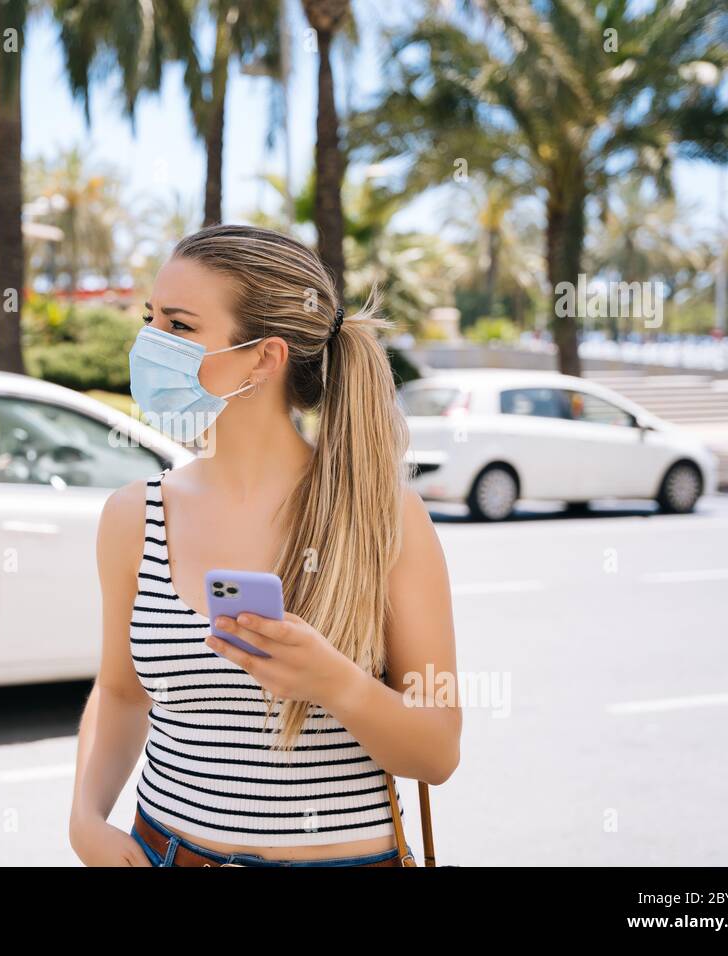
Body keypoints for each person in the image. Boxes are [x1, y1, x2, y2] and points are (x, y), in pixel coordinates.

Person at [68, 224, 460, 867]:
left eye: (179, 325)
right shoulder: (133, 517)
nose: (148, 345)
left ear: (264, 357)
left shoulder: (387, 519)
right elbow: (119, 692)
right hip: (164, 852)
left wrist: (335, 683)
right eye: (151, 319)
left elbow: (438, 751)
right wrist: (85, 819)